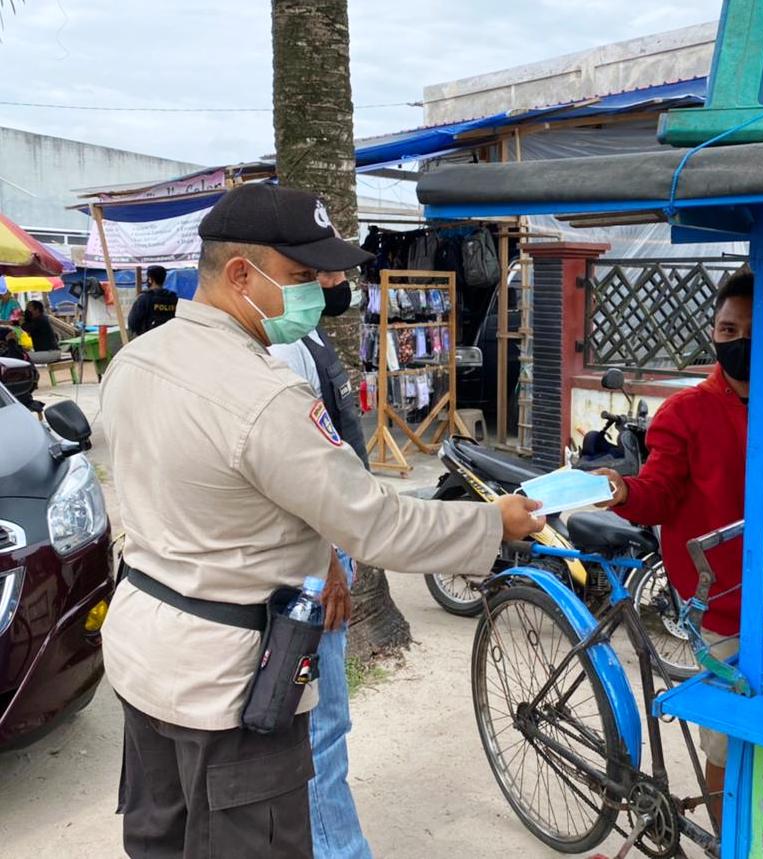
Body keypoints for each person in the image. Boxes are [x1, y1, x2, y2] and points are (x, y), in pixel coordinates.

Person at [99, 182, 545, 858]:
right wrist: (492, 524)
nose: (319, 290)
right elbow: (373, 523)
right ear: (241, 273)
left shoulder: (133, 362)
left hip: (145, 658)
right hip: (231, 686)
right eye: (302, 276)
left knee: (159, 839)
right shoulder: (265, 396)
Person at [595, 268, 763, 826]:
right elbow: (657, 493)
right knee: (726, 744)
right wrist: (624, 490)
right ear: (713, 333)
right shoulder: (684, 413)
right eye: (727, 328)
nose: (737, 340)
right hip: (718, 605)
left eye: (751, 328)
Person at [268, 271, 372, 859]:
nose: (338, 283)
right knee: (322, 727)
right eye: (321, 274)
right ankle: (339, 850)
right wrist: (330, 556)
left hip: (329, 544)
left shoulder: (308, 338)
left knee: (321, 723)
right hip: (316, 559)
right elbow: (295, 474)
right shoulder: (282, 349)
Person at [127, 264, 178, 336]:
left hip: (148, 341)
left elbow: (132, 323)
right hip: (168, 340)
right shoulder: (173, 298)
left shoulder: (144, 298)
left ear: (150, 279)